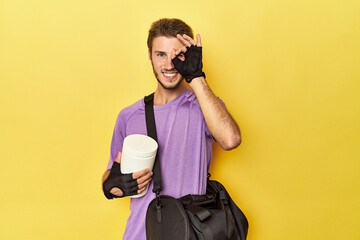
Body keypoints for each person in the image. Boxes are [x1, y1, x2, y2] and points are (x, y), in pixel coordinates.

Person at [101, 18, 241, 239]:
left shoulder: (203, 107)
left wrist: (196, 77)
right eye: (161, 55)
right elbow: (110, 175)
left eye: (177, 56)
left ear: (189, 56)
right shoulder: (129, 116)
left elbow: (230, 140)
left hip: (189, 233)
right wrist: (111, 184)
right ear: (149, 56)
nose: (169, 65)